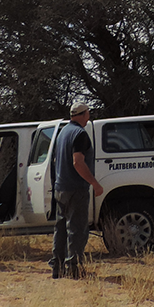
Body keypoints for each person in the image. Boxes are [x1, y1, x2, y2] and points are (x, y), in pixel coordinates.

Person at [50, 102, 104, 279]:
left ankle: (57, 267)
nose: (89, 116)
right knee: (77, 229)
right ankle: (74, 269)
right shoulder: (80, 134)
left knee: (61, 229)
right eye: (88, 113)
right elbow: (78, 162)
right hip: (76, 188)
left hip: (60, 188)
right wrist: (94, 183)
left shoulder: (63, 132)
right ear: (83, 114)